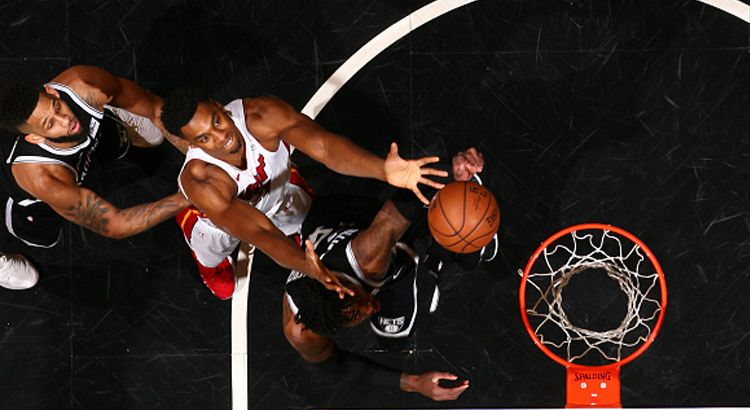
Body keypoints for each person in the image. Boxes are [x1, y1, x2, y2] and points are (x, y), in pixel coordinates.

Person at [159, 87, 448, 300]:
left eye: (217, 121)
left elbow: (324, 147)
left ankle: (283, 201)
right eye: (205, 138)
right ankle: (208, 260)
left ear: (218, 105)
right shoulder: (201, 179)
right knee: (214, 255)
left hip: (277, 190)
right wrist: (304, 265)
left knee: (308, 220)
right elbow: (260, 232)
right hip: (220, 221)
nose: (222, 137)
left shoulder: (260, 114)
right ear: (191, 143)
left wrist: (382, 169)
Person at [282, 148, 490, 401]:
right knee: (394, 340)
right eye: (355, 317)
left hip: (357, 213)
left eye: (361, 305)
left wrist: (453, 172)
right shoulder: (301, 330)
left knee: (462, 245)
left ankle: (442, 241)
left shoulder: (367, 257)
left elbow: (404, 204)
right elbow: (332, 363)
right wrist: (413, 383)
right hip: (330, 231)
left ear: (345, 289)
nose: (371, 309)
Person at [0, 66, 189, 248]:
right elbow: (116, 224)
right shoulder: (45, 179)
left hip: (83, 140)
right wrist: (188, 196)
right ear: (36, 137)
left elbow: (156, 109)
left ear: (52, 92)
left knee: (153, 136)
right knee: (44, 238)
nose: (66, 120)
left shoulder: (84, 84)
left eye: (57, 107)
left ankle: (111, 110)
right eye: (50, 124)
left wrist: (201, 155)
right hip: (39, 198)